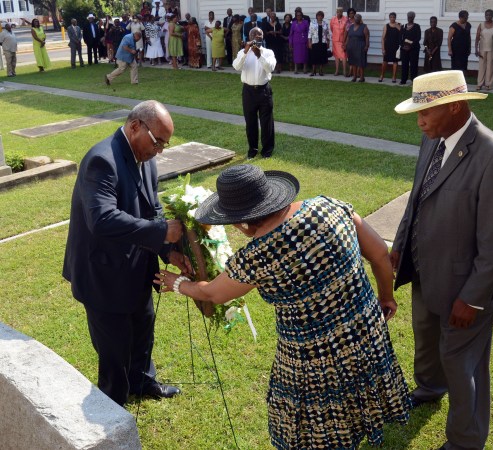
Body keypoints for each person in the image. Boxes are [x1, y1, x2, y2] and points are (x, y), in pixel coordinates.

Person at [155, 164, 412, 450]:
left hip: (312, 357)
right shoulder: (330, 206)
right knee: (359, 393)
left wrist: (178, 284)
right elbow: (379, 254)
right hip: (365, 331)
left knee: (317, 423)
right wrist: (386, 297)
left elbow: (214, 294)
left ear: (243, 221)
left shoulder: (257, 256)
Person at [392, 70, 493, 450]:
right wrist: (401, 242)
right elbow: (416, 198)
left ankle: (465, 441)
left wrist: (474, 299)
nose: (420, 122)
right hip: (427, 269)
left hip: (468, 286)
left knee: (462, 362)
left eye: (426, 113)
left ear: (456, 107)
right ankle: (430, 388)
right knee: (427, 339)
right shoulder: (433, 138)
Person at [63, 100, 188, 407]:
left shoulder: (147, 158)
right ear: (135, 126)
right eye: (157, 142)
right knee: (114, 347)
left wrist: (167, 251)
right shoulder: (101, 160)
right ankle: (113, 403)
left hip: (136, 266)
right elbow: (101, 219)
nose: (159, 150)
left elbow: (152, 208)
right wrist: (160, 232)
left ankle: (143, 381)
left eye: (164, 145)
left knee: (143, 328)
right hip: (103, 273)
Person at [232, 27, 276, 159]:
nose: (257, 35)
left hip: (264, 91)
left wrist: (259, 56)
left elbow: (270, 68)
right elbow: (236, 66)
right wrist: (246, 51)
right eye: (254, 34)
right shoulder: (242, 52)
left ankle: (267, 150)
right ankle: (253, 149)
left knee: (266, 122)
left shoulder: (268, 52)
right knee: (250, 122)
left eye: (260, 34)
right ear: (249, 36)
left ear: (263, 36)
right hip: (248, 91)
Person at [475, 9, 493, 90]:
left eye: (490, 15)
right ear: (485, 16)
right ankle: (479, 84)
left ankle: (488, 84)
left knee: (491, 67)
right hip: (482, 49)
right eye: (486, 15)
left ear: (492, 15)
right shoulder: (481, 25)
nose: (488, 17)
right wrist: (476, 49)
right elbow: (477, 38)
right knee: (482, 67)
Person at [345, 13, 369, 82]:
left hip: (361, 45)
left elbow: (367, 37)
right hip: (351, 46)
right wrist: (346, 45)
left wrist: (367, 46)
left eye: (358, 18)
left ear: (360, 19)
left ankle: (362, 77)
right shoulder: (351, 26)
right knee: (353, 62)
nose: (357, 19)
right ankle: (354, 77)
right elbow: (348, 37)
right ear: (354, 19)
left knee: (360, 62)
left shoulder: (364, 26)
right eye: (356, 18)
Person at [400, 11, 421, 85]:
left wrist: (410, 46)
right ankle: (403, 80)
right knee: (404, 64)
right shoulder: (403, 26)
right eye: (408, 17)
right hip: (404, 49)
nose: (409, 18)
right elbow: (400, 38)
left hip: (414, 49)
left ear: (414, 18)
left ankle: (414, 80)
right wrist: (403, 46)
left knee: (413, 65)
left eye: (411, 17)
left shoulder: (417, 26)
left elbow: (418, 38)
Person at [379, 12, 402, 82]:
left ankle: (394, 77)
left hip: (396, 46)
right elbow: (383, 38)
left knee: (395, 61)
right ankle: (382, 75)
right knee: (385, 61)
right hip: (387, 46)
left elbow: (402, 33)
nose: (392, 18)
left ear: (395, 18)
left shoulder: (399, 25)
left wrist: (397, 26)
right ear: (389, 18)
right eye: (391, 17)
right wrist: (383, 48)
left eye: (393, 17)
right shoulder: (386, 26)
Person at [308, 11, 330, 77]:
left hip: (323, 42)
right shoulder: (312, 23)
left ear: (323, 16)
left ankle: (320, 70)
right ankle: (313, 71)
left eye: (321, 16)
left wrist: (328, 42)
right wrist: (309, 42)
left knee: (322, 57)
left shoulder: (325, 23)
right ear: (316, 16)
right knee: (314, 57)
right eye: (318, 16)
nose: (320, 17)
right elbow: (310, 33)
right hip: (315, 42)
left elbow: (327, 34)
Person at [289, 9, 310, 74]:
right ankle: (296, 69)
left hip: (304, 41)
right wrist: (290, 42)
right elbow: (291, 34)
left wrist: (309, 41)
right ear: (296, 16)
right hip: (296, 42)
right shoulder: (294, 23)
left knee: (304, 55)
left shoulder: (306, 22)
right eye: (297, 15)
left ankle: (304, 68)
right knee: (296, 55)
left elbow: (309, 32)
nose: (299, 16)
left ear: (302, 16)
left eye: (300, 15)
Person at [330, 7, 348, 76]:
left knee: (344, 56)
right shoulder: (333, 19)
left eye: (340, 12)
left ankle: (344, 71)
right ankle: (337, 71)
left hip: (343, 40)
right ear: (336, 12)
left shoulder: (346, 19)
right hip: (335, 40)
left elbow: (346, 30)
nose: (339, 13)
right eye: (338, 11)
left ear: (342, 12)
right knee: (336, 56)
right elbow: (332, 28)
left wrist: (345, 40)